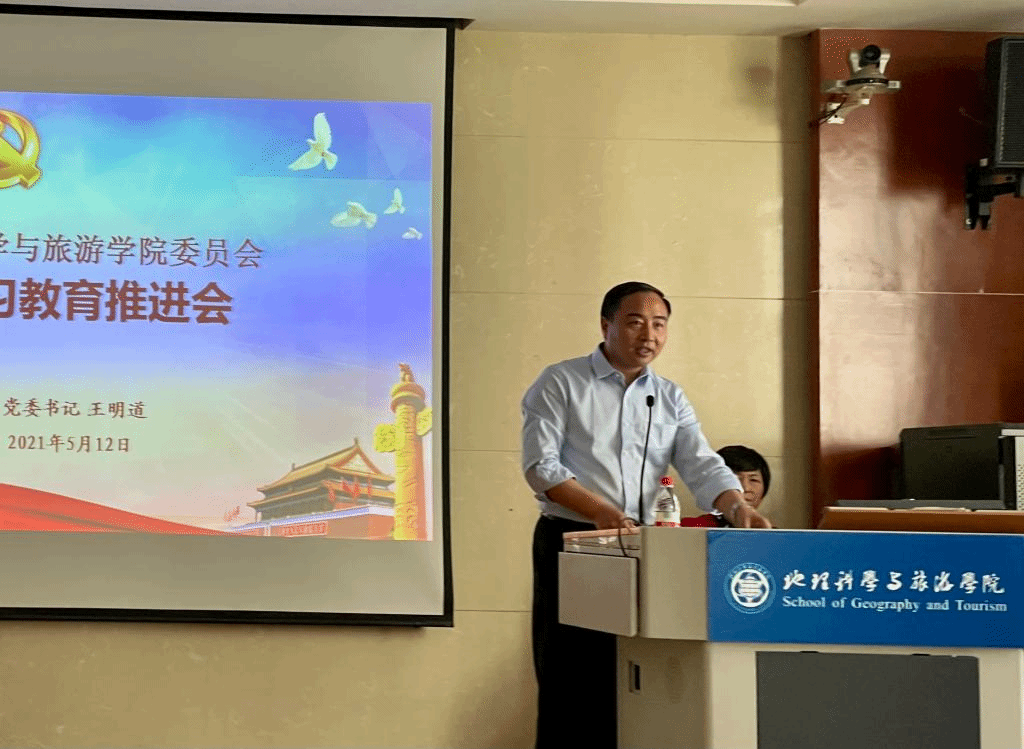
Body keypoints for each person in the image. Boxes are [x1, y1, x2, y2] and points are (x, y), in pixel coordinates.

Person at [521, 281, 771, 749]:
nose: (649, 335)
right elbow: (541, 467)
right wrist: (600, 511)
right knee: (572, 676)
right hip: (576, 540)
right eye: (636, 322)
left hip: (643, 547)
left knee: (635, 675)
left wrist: (736, 504)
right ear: (606, 325)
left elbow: (700, 462)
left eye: (659, 325)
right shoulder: (561, 382)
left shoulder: (669, 397)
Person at [678, 444, 772, 527]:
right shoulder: (690, 528)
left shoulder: (772, 535)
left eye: (754, 480)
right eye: (734, 479)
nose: (745, 488)